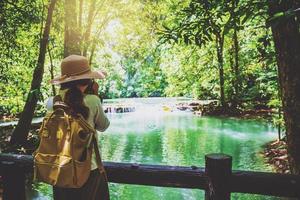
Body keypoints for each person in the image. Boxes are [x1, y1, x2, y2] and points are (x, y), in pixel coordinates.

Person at [49, 55, 110, 200]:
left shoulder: (52, 102)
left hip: (60, 169)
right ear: (87, 81)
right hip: (88, 169)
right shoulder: (92, 100)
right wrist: (96, 96)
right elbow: (104, 126)